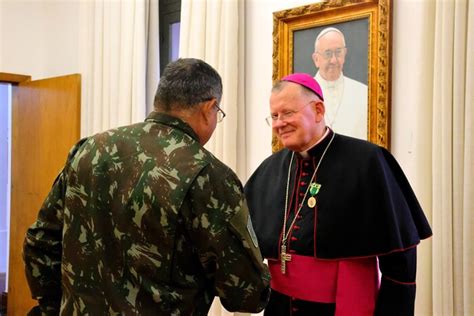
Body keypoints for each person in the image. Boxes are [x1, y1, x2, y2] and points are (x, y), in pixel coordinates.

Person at [23, 58, 271, 315]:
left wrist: (55, 306)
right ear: (209, 107)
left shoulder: (88, 150)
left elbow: (39, 243)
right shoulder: (207, 174)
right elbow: (245, 293)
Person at [244, 73, 432, 315]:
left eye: (288, 113)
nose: (280, 123)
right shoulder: (270, 168)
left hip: (339, 308)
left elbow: (401, 259)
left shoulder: (367, 161)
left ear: (319, 110)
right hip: (279, 307)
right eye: (275, 116)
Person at [312, 27, 368, 139]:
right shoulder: (303, 94)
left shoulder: (363, 92)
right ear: (316, 59)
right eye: (328, 54)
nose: (333, 60)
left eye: (338, 52)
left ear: (345, 54)